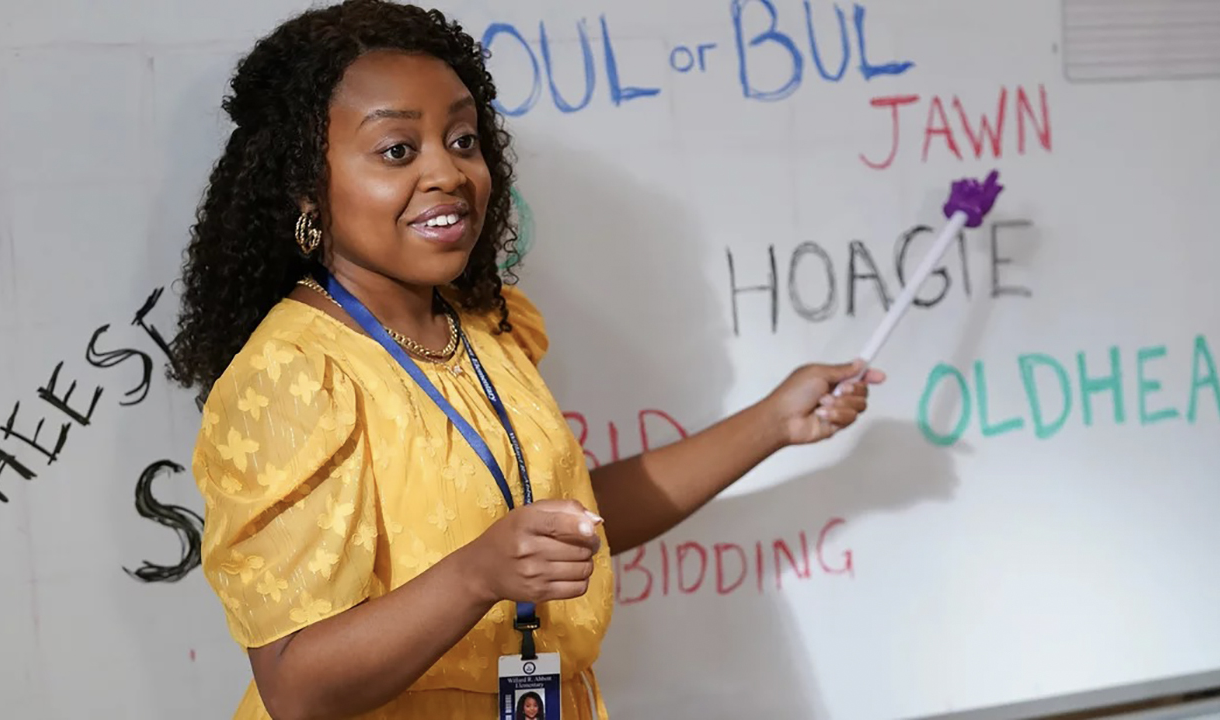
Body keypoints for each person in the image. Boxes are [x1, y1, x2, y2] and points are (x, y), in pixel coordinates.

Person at [167, 1, 886, 719]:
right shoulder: (292, 378)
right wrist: (477, 575)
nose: (448, 172)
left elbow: (566, 524)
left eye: (462, 139)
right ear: (304, 189)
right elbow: (296, 684)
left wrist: (773, 423)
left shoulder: (489, 326)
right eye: (397, 150)